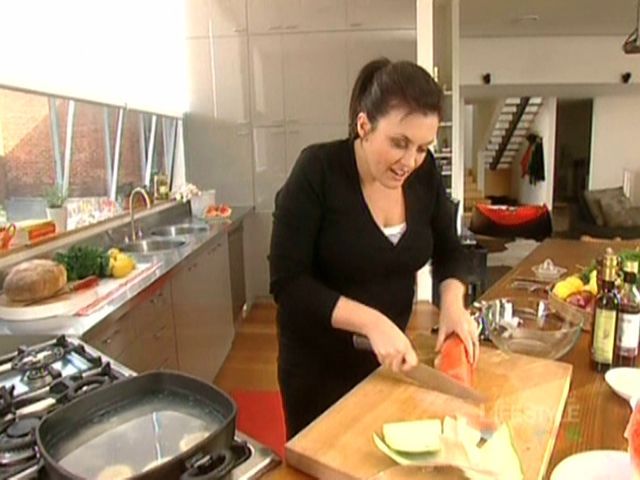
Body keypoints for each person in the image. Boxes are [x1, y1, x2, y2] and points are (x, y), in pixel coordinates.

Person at [269, 57, 479, 439]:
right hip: (317, 369)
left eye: (422, 147)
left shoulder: (424, 173)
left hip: (389, 363)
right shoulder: (317, 171)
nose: (410, 162)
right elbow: (289, 284)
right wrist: (373, 322)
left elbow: (449, 248)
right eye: (399, 143)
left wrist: (453, 305)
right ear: (364, 126)